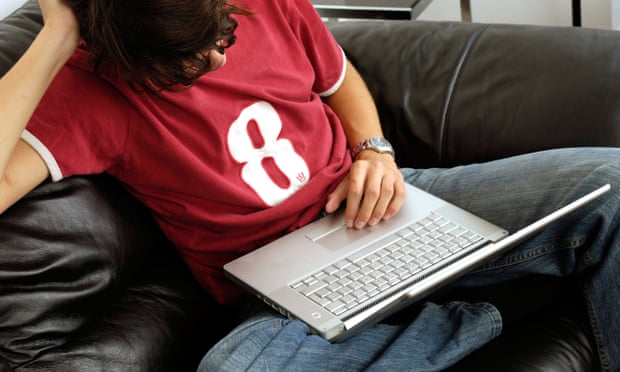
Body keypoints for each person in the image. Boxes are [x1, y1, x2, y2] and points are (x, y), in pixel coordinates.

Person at [0, 0, 618, 371]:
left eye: (223, 35)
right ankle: (451, 323)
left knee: (612, 182)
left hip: (393, 202)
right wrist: (55, 35)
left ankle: (408, 314)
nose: (219, 60)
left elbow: (340, 80)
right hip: (282, 282)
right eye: (190, 61)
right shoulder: (89, 92)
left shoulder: (261, 2)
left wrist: (374, 152)